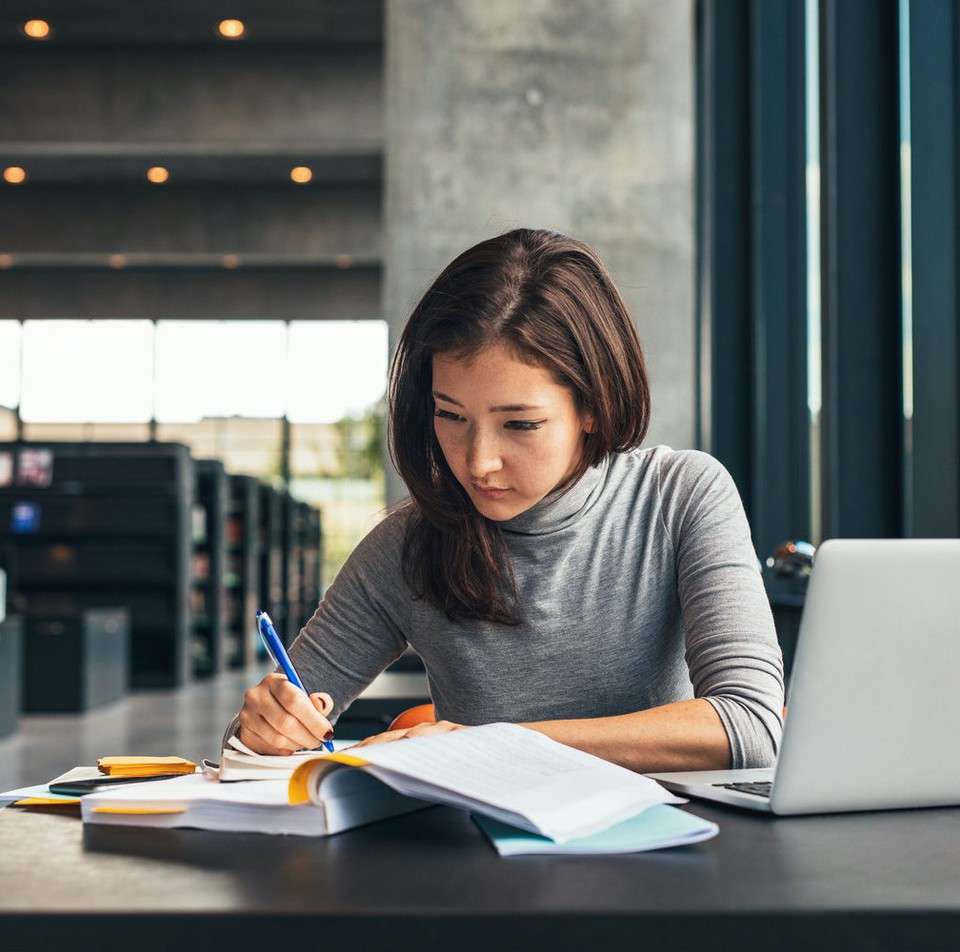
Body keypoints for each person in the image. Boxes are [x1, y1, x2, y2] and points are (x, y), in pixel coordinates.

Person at [228, 228, 784, 773]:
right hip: (482, 860)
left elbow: (751, 726)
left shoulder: (679, 496)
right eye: (451, 416)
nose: (478, 462)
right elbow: (246, 749)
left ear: (593, 406)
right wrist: (263, 729)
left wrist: (491, 745)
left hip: (667, 851)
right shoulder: (407, 545)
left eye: (519, 423)